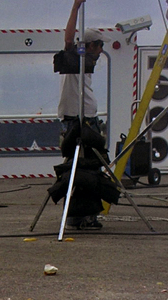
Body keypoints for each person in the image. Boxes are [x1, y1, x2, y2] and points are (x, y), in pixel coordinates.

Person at [55, 0, 109, 230]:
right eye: (98, 47)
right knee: (77, 170)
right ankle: (75, 216)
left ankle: (87, 215)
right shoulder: (75, 57)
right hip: (77, 121)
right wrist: (76, 8)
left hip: (88, 119)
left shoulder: (87, 63)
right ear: (90, 45)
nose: (100, 52)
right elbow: (68, 40)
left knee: (91, 169)